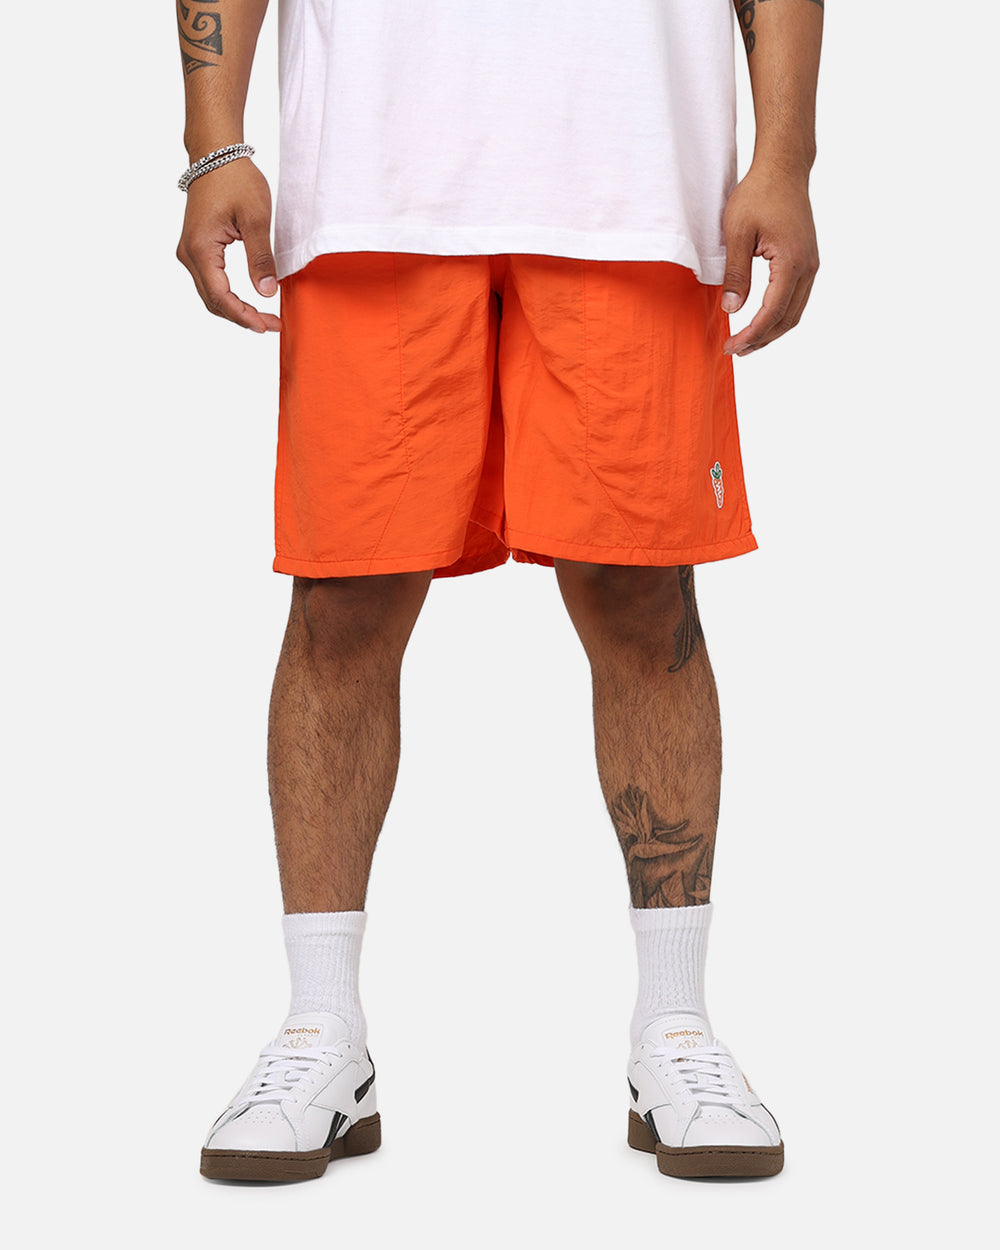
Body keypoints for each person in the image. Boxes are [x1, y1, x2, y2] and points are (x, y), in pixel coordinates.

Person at [176, 0, 822, 1183]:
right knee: (342, 601)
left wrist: (785, 156)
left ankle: (675, 1028)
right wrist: (213, 141)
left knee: (643, 600)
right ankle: (321, 1029)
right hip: (370, 181)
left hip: (632, 177)